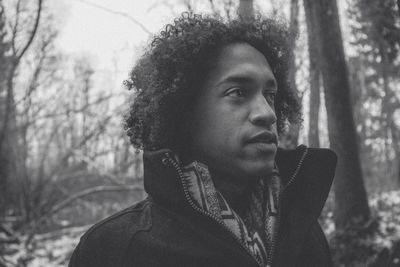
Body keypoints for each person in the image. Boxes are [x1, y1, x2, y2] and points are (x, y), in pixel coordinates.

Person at [69, 12, 337, 267]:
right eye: (238, 92)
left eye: (270, 95)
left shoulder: (303, 229)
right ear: (184, 111)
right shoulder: (114, 250)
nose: (268, 113)